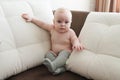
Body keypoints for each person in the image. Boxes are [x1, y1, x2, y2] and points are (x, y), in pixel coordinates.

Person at [21, 8, 84, 75]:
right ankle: (59, 69)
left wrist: (76, 43)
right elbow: (42, 24)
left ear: (70, 23)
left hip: (65, 52)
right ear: (54, 22)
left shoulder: (70, 32)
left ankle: (53, 65)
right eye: (59, 21)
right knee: (47, 55)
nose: (63, 24)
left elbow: (74, 39)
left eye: (66, 22)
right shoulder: (52, 28)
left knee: (63, 56)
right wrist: (32, 19)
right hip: (53, 52)